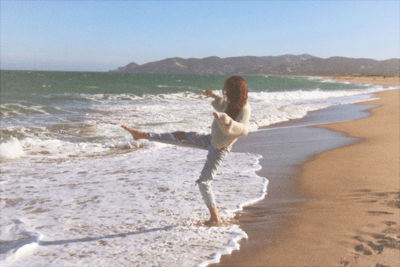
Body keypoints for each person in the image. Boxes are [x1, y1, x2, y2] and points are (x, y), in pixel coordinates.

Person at [121, 76, 251, 226]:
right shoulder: (230, 103)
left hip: (219, 148)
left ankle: (215, 218)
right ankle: (142, 135)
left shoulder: (245, 108)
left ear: (235, 90)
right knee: (179, 136)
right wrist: (215, 96)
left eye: (227, 88)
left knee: (204, 182)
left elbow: (243, 129)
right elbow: (223, 105)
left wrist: (226, 120)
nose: (225, 90)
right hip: (211, 139)